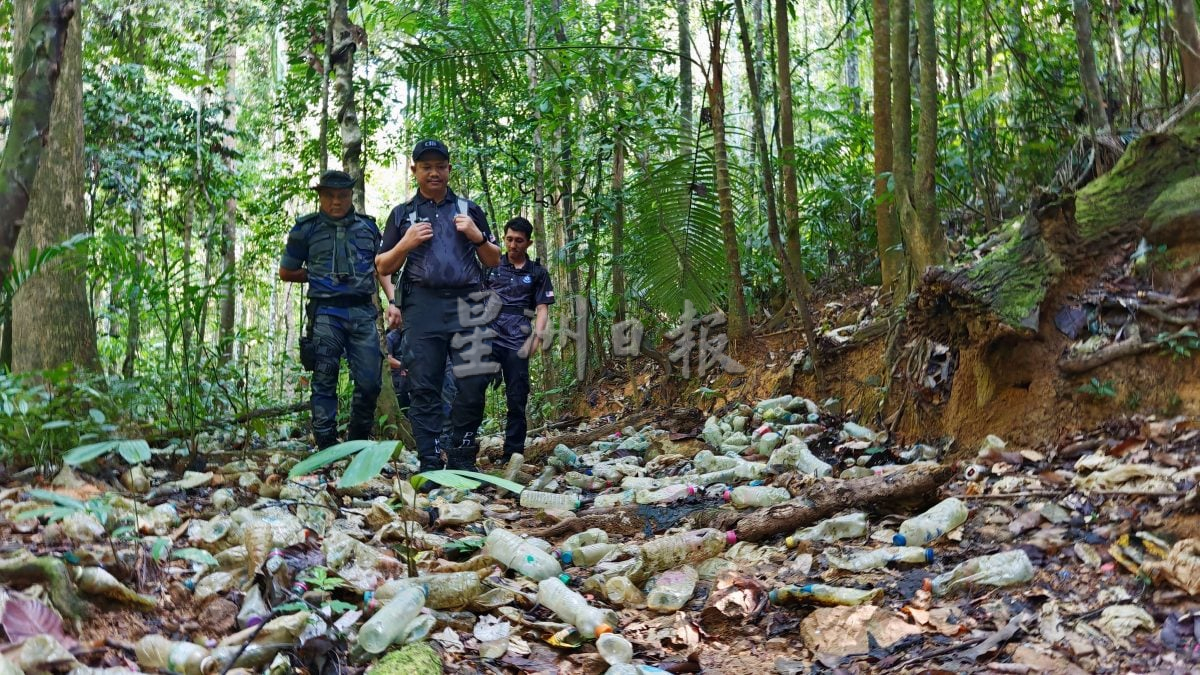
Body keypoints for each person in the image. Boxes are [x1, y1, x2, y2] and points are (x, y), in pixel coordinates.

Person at [376, 139, 500, 473]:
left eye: (440, 166)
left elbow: (493, 258)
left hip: (469, 303)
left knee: (473, 380)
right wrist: (406, 242)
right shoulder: (402, 214)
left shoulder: (468, 208)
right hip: (423, 306)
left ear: (449, 169)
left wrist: (477, 236)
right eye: (426, 166)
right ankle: (430, 462)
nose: (434, 172)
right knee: (424, 385)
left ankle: (462, 458)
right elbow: (383, 266)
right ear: (413, 169)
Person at [279, 170, 383, 449]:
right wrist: (316, 276)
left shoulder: (368, 228)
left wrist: (394, 302)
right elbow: (286, 271)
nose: (336, 202)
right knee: (324, 377)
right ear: (320, 196)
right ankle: (325, 445)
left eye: (342, 196)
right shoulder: (306, 229)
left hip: (362, 312)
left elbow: (383, 266)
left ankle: (358, 442)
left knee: (370, 381)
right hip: (325, 312)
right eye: (329, 196)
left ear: (351, 196)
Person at [484, 216, 554, 461]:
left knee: (516, 397)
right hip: (488, 337)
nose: (513, 245)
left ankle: (512, 453)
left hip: (518, 341)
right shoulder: (491, 264)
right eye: (509, 239)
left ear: (529, 243)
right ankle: (463, 449)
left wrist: (537, 338)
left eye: (519, 241)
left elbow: (543, 308)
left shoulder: (537, 273)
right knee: (472, 391)